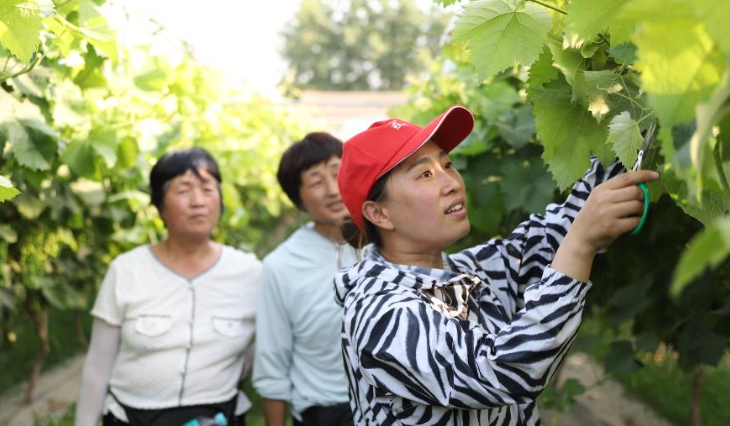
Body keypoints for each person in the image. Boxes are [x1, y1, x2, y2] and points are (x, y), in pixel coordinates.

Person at [333, 106, 659, 426]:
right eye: (426, 174)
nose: (452, 182)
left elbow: (560, 230)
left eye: (448, 164)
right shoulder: (381, 314)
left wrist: (633, 111)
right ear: (379, 214)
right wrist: (581, 244)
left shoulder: (470, 270)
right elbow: (505, 372)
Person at [74, 148, 262, 426]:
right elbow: (98, 366)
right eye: (184, 190)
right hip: (133, 417)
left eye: (208, 189)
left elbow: (272, 343)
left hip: (218, 417)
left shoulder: (249, 272)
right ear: (160, 205)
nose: (198, 201)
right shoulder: (126, 270)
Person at [252, 133, 358, 426]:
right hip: (328, 413)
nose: (332, 189)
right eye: (315, 181)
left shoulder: (393, 239)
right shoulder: (281, 265)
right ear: (298, 200)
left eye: (337, 173)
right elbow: (272, 361)